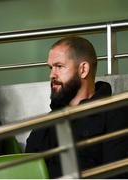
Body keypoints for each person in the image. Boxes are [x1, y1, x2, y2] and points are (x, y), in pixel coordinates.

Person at [25, 36, 128, 178]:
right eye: (51, 68)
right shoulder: (45, 125)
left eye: (59, 66)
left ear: (83, 70)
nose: (51, 75)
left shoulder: (116, 115)